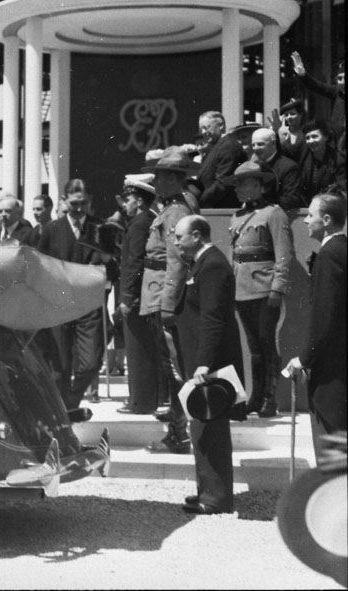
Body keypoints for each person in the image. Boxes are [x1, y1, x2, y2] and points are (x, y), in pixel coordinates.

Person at [174, 214, 244, 515]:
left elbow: (213, 318)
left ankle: (215, 498)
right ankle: (207, 490)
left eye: (180, 237)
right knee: (201, 427)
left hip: (210, 365)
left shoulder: (213, 265)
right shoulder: (204, 263)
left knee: (210, 428)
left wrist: (203, 363)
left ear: (198, 236)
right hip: (201, 361)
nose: (176, 242)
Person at [140, 147, 199, 454]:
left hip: (163, 292)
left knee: (173, 368)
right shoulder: (168, 209)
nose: (156, 183)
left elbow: (176, 261)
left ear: (175, 180)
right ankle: (177, 432)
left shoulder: (176, 212)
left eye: (161, 178)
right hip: (155, 290)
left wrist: (168, 303)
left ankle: (179, 434)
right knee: (169, 367)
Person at [283, 193, 347, 461]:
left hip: (331, 368)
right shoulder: (341, 250)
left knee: (332, 446)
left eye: (311, 215)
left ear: (328, 220)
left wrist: (304, 358)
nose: (306, 221)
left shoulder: (329, 256)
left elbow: (325, 316)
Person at [228, 161, 294, 417]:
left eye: (243, 183)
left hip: (266, 289)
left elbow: (284, 254)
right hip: (242, 288)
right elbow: (234, 255)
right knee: (254, 347)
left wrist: (278, 288)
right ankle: (255, 397)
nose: (237, 189)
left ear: (258, 184)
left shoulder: (274, 213)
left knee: (267, 343)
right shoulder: (237, 216)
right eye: (236, 184)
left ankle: (270, 398)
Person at [36, 178, 106, 410]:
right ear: (65, 201)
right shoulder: (51, 230)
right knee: (61, 368)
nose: (78, 209)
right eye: (74, 203)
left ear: (90, 202)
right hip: (59, 305)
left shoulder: (101, 228)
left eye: (83, 203)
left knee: (91, 363)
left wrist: (108, 265)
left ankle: (71, 401)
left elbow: (115, 268)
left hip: (89, 305)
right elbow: (40, 266)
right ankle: (63, 414)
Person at [117, 175, 159, 415]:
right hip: (143, 293)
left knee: (138, 349)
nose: (125, 204)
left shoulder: (140, 223)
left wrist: (127, 297)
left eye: (129, 199)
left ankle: (140, 402)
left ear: (140, 201)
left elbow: (134, 262)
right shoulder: (143, 220)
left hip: (137, 294)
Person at [196, 111, 244, 208]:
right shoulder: (217, 146)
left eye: (207, 127)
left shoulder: (229, 146)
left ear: (221, 125)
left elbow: (224, 182)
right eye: (202, 129)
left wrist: (199, 201)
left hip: (222, 209)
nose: (204, 132)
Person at [251, 127, 302, 211]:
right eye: (253, 145)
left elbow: (291, 200)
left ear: (273, 144)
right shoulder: (255, 166)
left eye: (260, 144)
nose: (256, 148)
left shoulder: (289, 167)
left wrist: (261, 201)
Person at [298, 120, 341, 200]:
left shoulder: (337, 160)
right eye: (307, 138)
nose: (310, 141)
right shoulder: (303, 155)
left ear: (326, 137)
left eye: (314, 136)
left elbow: (341, 189)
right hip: (305, 204)